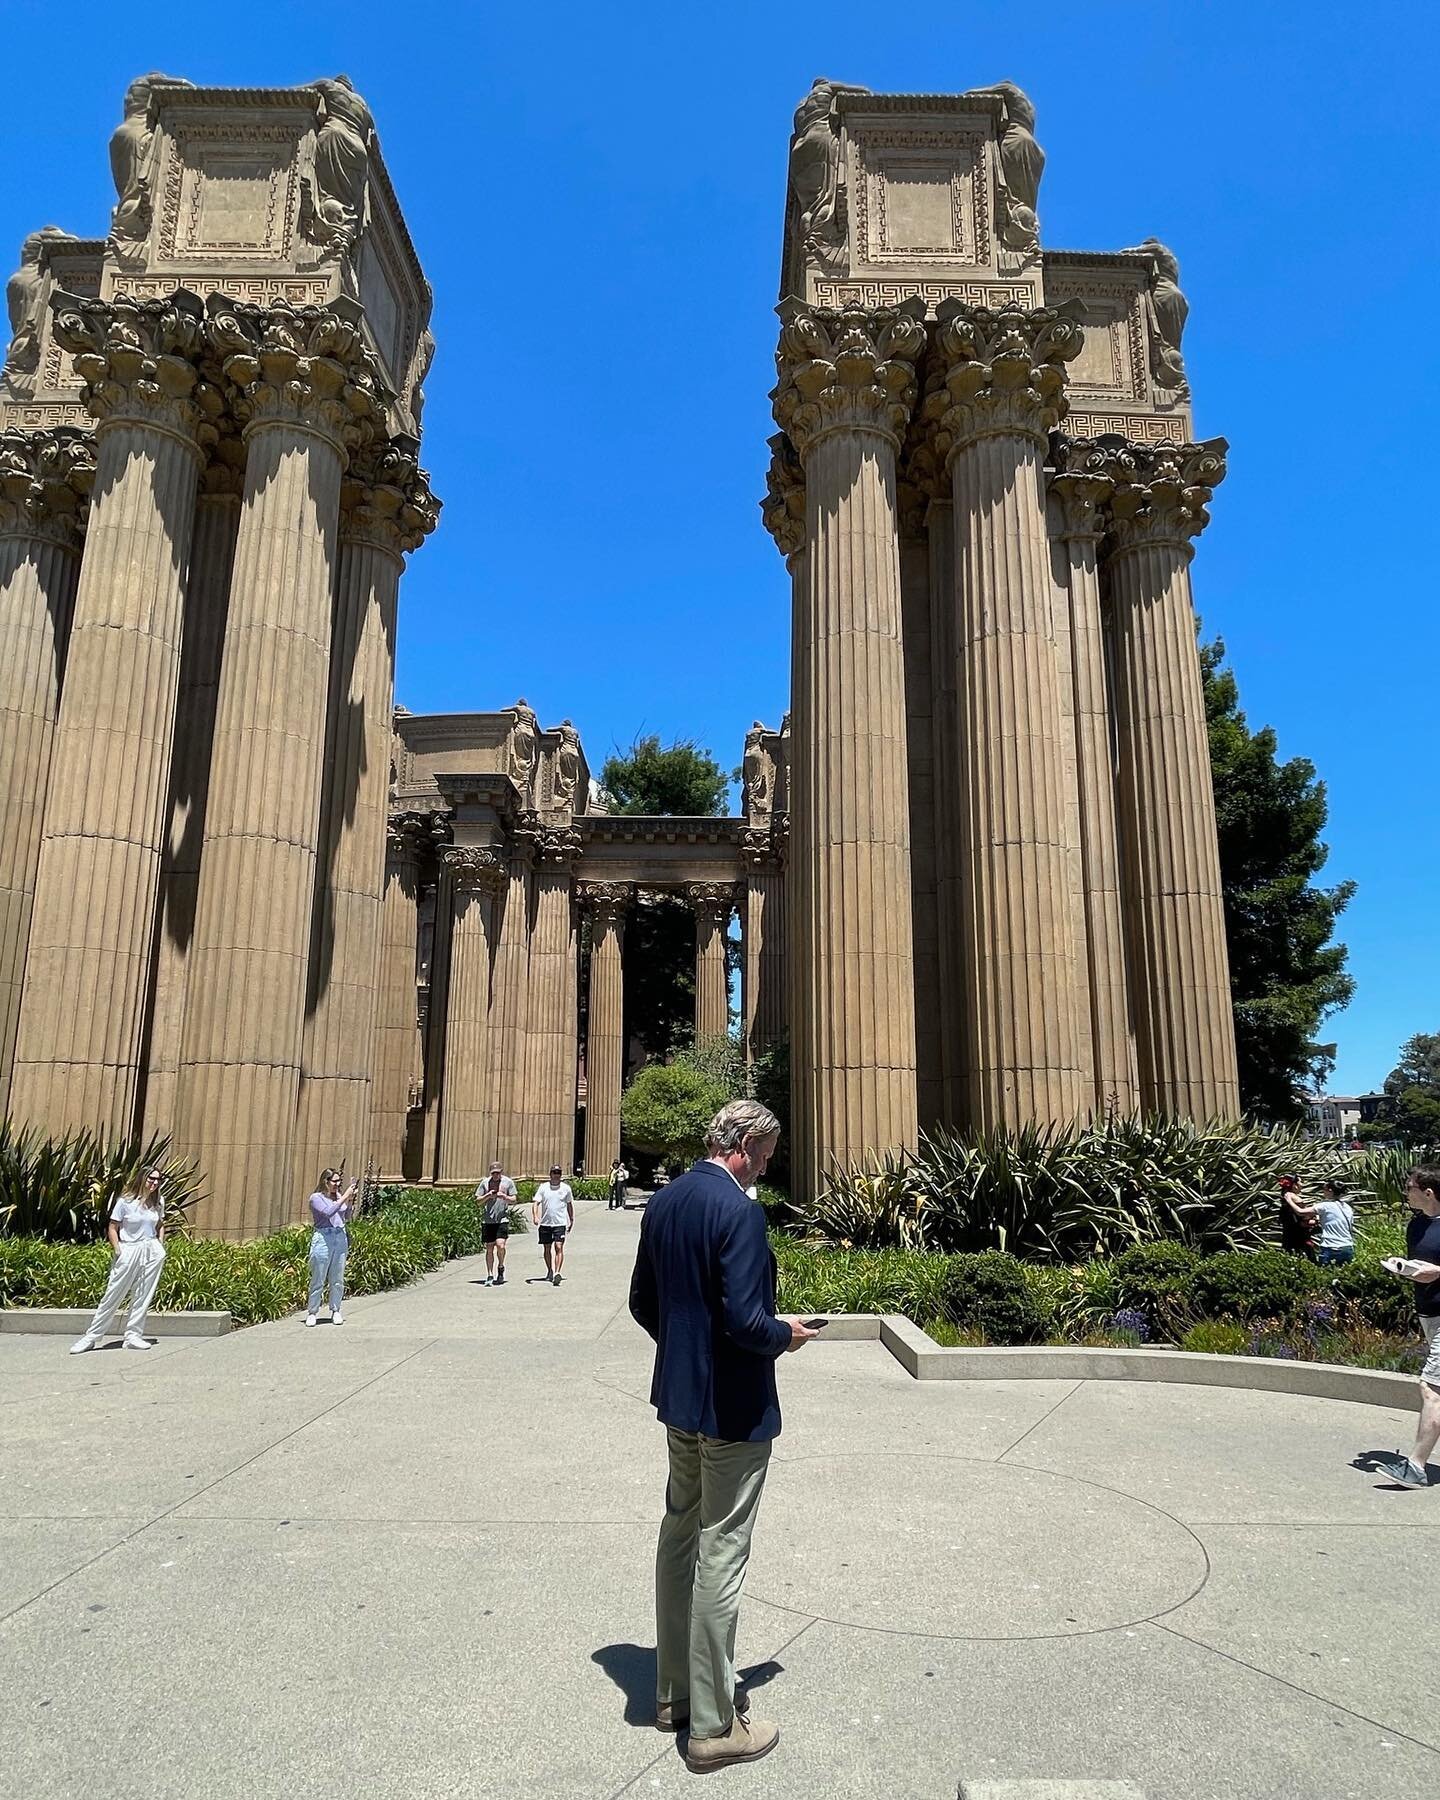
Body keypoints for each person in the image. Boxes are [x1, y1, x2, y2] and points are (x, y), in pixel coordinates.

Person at [628, 1098, 819, 1773]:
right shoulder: (737, 1210)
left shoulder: (667, 1202)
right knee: (723, 1553)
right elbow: (745, 1320)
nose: (765, 1168)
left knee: (680, 1533)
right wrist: (785, 1337)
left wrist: (690, 1351)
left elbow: (643, 1304)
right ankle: (712, 1726)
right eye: (764, 1156)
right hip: (733, 1411)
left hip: (680, 1403)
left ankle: (672, 1695)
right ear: (739, 1143)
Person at [1375, 1167, 1440, 1487]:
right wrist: (1404, 1268)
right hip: (1428, 1313)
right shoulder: (1416, 1225)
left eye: (1410, 1187)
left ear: (1429, 1192)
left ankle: (1415, 1466)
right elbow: (1420, 1267)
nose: (1405, 1192)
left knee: (1432, 1388)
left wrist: (1437, 1272)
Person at [70, 1169, 167, 1353]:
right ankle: (91, 1336)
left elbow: (160, 1224)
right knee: (114, 1293)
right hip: (129, 1248)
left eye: (158, 1179)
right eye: (151, 1178)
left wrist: (160, 1246)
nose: (155, 1183)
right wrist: (118, 1250)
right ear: (142, 1178)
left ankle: (133, 1335)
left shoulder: (158, 1202)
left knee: (143, 1294)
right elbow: (113, 1227)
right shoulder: (125, 1202)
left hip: (151, 1249)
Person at [305, 1168, 357, 1327]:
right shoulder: (316, 1198)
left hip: (339, 1236)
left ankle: (335, 1310)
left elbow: (346, 1216)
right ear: (325, 1182)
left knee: (337, 1278)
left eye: (338, 1181)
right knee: (318, 1277)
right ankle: (313, 1312)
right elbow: (328, 1212)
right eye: (334, 1181)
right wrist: (345, 1197)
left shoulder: (339, 1197)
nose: (337, 1184)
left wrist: (349, 1201)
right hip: (323, 1237)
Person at [477, 1161, 517, 1285]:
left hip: (502, 1219)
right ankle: (489, 1274)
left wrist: (504, 1197)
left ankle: (500, 1266)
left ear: (501, 1172)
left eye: (498, 1173)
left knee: (500, 1245)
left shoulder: (508, 1182)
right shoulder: (484, 1183)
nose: (495, 1175)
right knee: (489, 1248)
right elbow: (478, 1201)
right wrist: (488, 1195)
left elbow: (514, 1199)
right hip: (488, 1220)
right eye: (493, 1173)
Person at [534, 1166, 574, 1283]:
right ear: (550, 1174)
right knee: (547, 1248)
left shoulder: (566, 1188)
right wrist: (536, 1216)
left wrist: (571, 1219)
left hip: (559, 1223)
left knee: (558, 1247)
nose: (556, 1175)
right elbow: (536, 1202)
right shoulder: (543, 1187)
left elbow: (569, 1204)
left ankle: (557, 1272)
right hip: (545, 1223)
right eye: (554, 1172)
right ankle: (550, 1270)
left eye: (558, 1173)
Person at [1312, 1180, 1356, 1266]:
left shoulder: (1324, 1205)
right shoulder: (1347, 1207)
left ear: (1330, 1191)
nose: (1322, 1192)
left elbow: (1301, 1212)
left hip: (1330, 1247)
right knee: (1344, 1276)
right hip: (1347, 1246)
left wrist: (1289, 1199)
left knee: (1326, 1275)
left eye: (1324, 1189)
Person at [1277, 1174, 1317, 1258]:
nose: (1302, 1185)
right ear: (1294, 1185)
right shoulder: (1295, 1198)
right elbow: (1304, 1216)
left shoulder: (1284, 1197)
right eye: (1300, 1182)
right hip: (1300, 1235)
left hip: (1288, 1234)